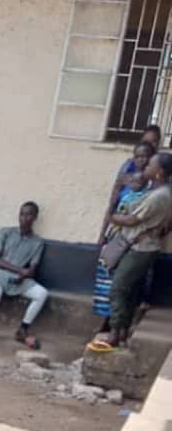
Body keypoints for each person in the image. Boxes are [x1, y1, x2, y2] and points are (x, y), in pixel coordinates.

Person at [90, 152, 172, 352]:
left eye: (150, 165)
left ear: (159, 172)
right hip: (138, 245)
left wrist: (112, 217)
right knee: (126, 289)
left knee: (118, 288)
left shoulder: (160, 196)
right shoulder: (156, 190)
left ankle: (115, 331)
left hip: (140, 248)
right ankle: (121, 331)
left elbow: (132, 220)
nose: (146, 168)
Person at [0, 202, 49, 352]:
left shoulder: (38, 242)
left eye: (28, 214)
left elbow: (33, 267)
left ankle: (22, 330)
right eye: (22, 214)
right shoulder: (6, 232)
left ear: (35, 217)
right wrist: (20, 270)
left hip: (18, 279)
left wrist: (25, 274)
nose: (24, 218)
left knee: (42, 294)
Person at [93, 172, 149, 331]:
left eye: (139, 181)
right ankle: (106, 319)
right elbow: (111, 212)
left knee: (120, 285)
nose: (134, 183)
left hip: (129, 243)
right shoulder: (124, 190)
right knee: (106, 280)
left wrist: (117, 219)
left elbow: (129, 219)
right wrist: (104, 234)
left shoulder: (147, 198)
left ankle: (117, 325)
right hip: (114, 240)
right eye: (132, 180)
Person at [100, 141, 157, 243]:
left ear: (152, 158)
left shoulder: (153, 184)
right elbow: (112, 207)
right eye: (137, 156)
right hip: (117, 231)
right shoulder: (124, 179)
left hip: (137, 236)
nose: (140, 160)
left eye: (144, 156)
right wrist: (102, 234)